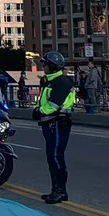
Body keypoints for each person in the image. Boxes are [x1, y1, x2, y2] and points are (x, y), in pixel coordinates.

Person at [34, 51, 76, 204]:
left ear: (52, 66)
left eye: (45, 64)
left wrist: (38, 111)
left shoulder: (61, 82)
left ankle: (60, 191)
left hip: (58, 123)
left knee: (56, 157)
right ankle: (56, 190)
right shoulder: (49, 81)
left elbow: (52, 105)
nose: (43, 66)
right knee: (52, 157)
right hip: (51, 123)